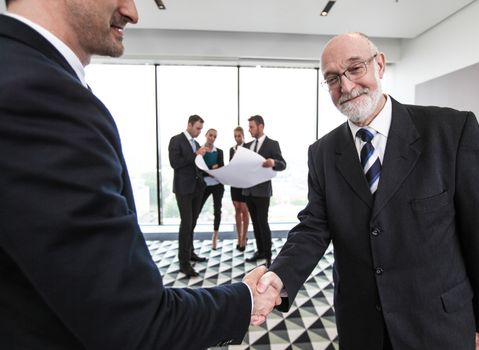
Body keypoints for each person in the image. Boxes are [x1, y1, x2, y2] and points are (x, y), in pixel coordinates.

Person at [0, 1, 281, 349]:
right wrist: (244, 299)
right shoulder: (40, 96)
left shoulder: (22, 71)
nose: (132, 11)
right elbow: (133, 321)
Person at [257, 32, 479, 350]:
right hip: (362, 326)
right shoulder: (321, 153)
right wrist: (278, 277)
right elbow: (313, 228)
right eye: (333, 78)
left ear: (379, 64)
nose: (346, 87)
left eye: (355, 68)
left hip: (439, 324)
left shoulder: (451, 131)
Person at [169, 115, 210, 277]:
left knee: (192, 223)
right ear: (189, 125)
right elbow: (175, 163)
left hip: (197, 188)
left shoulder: (197, 144)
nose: (199, 132)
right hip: (183, 189)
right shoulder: (176, 140)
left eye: (201, 129)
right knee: (186, 224)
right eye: (198, 128)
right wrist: (195, 155)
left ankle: (190, 253)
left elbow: (196, 167)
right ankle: (183, 263)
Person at [243, 115, 286, 267]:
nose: (249, 130)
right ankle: (260, 251)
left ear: (261, 126)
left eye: (251, 127)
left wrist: (273, 162)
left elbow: (282, 164)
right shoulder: (246, 146)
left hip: (262, 191)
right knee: (255, 223)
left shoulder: (272, 144)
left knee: (262, 222)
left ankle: (268, 256)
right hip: (248, 191)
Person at [198, 128, 225, 250]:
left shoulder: (219, 152)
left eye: (214, 136)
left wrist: (212, 170)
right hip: (204, 186)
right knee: (197, 209)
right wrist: (211, 169)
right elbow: (199, 169)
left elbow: (221, 167)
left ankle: (215, 236)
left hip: (217, 185)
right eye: (210, 135)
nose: (212, 138)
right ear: (206, 135)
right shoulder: (200, 151)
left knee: (217, 210)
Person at [229, 126, 250, 251]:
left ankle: (244, 237)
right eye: (235, 136)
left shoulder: (248, 148)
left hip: (245, 182)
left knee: (244, 210)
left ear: (243, 136)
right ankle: (239, 237)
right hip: (234, 182)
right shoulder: (231, 149)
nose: (237, 138)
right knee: (237, 210)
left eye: (239, 135)